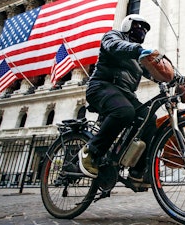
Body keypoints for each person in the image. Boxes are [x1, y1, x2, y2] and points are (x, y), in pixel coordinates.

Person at [78, 14, 157, 183]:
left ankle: (137, 171)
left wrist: (175, 78)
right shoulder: (113, 36)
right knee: (124, 112)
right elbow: (115, 46)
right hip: (102, 86)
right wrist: (137, 50)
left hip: (125, 94)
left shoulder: (138, 56)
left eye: (145, 29)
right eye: (139, 26)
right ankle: (91, 151)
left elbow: (154, 72)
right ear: (128, 25)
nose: (142, 31)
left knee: (150, 117)